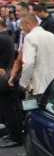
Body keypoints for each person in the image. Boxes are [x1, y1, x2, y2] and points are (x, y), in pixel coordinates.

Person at [19, 14, 54, 101]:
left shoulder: (29, 37)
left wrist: (24, 83)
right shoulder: (52, 36)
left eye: (23, 26)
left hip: (39, 87)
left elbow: (28, 63)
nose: (22, 29)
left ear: (29, 24)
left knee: (33, 111)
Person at [0, 17, 22, 148]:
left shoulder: (2, 38)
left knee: (9, 109)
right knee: (11, 108)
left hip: (4, 78)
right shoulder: (6, 37)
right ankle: (13, 133)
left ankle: (15, 136)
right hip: (8, 75)